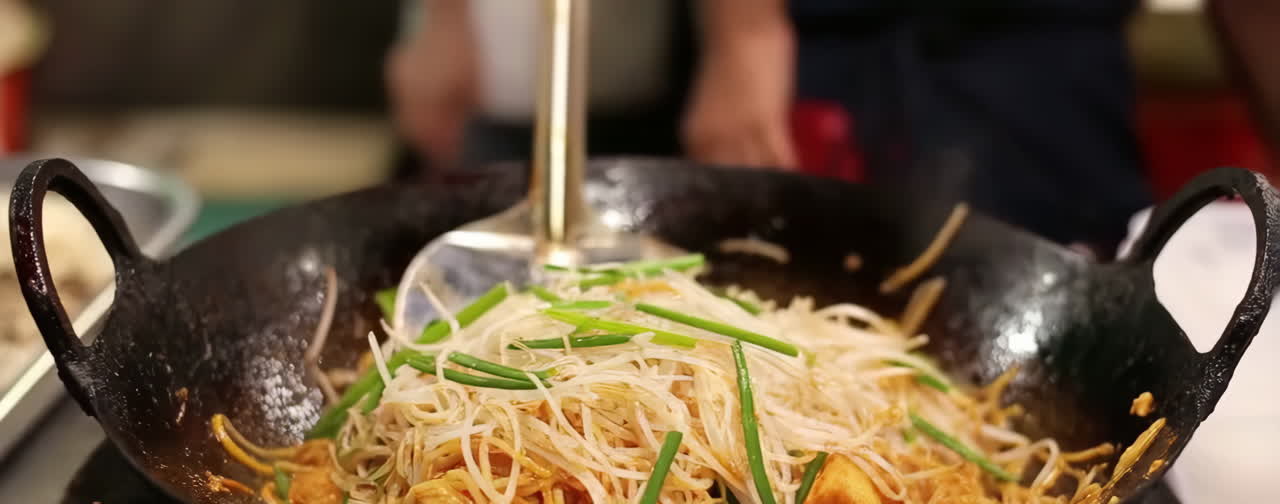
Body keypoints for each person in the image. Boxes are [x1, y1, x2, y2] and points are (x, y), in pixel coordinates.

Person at [388, 0, 1151, 251]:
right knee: (774, 271)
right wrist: (742, 31)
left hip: (1054, 44)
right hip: (811, 38)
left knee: (1049, 304)